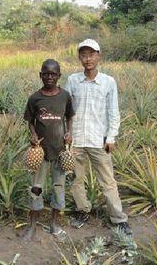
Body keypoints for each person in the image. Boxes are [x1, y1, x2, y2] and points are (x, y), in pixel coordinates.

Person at [65, 39, 132, 235]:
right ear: (79, 58)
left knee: (107, 181)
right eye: (84, 55)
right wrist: (66, 135)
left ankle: (118, 218)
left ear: (98, 56)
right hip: (76, 139)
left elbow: (113, 112)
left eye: (91, 54)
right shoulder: (72, 80)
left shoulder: (108, 82)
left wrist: (111, 136)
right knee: (76, 179)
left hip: (98, 140)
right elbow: (66, 110)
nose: (88, 59)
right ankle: (82, 210)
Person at [22, 59, 75, 242]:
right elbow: (30, 121)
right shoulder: (35, 98)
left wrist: (69, 133)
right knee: (36, 188)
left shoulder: (65, 96)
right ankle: (32, 226)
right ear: (40, 75)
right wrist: (33, 134)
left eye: (53, 74)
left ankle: (54, 224)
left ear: (59, 76)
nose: (49, 77)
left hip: (60, 151)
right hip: (40, 152)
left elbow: (69, 117)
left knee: (58, 188)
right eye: (46, 73)